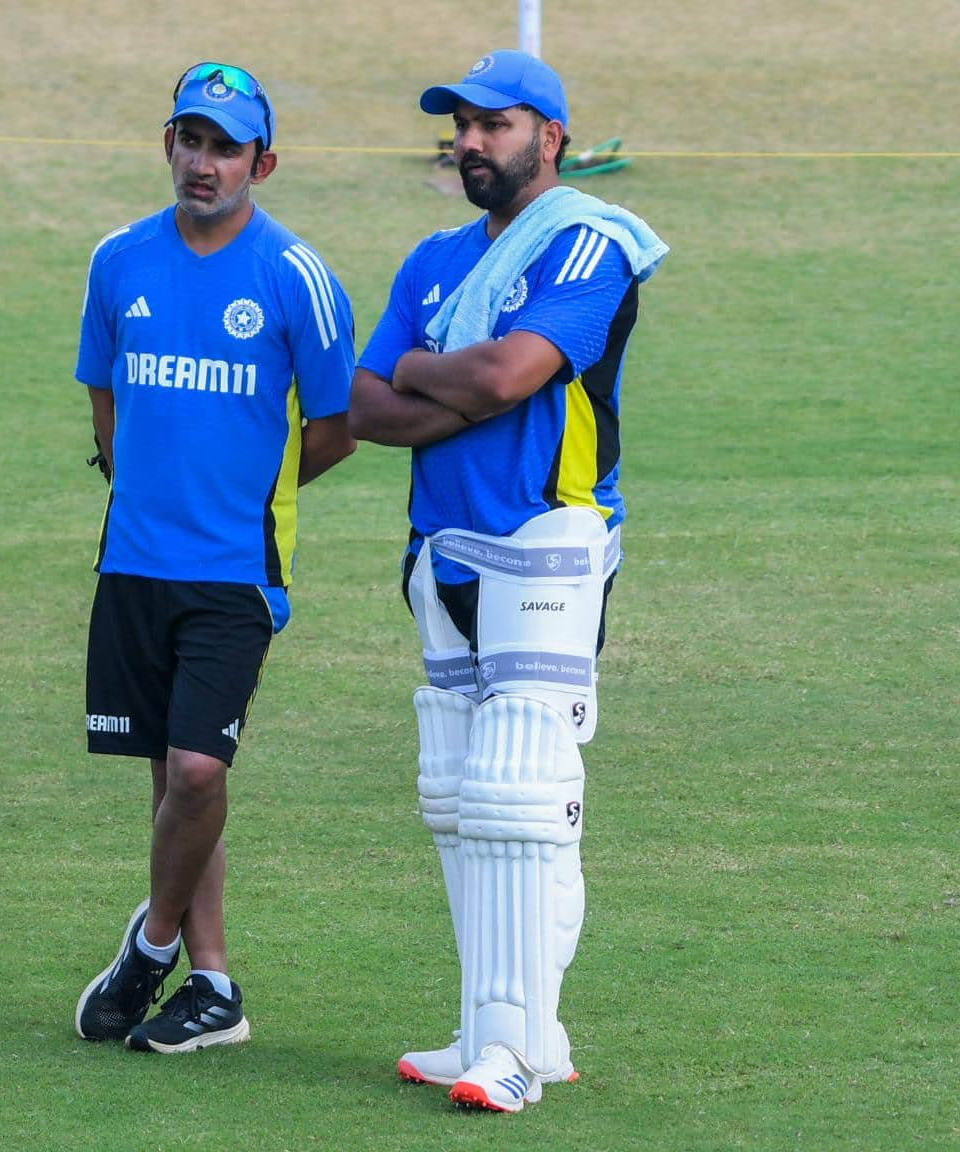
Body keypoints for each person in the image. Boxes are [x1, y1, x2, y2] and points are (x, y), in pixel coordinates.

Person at [348, 50, 667, 1112]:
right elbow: (366, 409)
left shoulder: (590, 242)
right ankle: (498, 1029)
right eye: (462, 124)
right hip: (440, 550)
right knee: (459, 798)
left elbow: (504, 374)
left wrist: (437, 372)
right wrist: (462, 384)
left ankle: (516, 1057)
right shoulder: (432, 258)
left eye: (498, 122)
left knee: (520, 796)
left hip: (547, 539)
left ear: (553, 137)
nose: (473, 140)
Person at [71, 61, 356, 1055]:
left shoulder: (296, 279)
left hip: (236, 573)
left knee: (198, 768)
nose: (205, 162)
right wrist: (145, 484)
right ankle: (217, 990)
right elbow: (105, 403)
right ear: (168, 145)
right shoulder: (117, 262)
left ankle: (149, 948)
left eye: (226, 147)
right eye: (191, 140)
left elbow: (336, 426)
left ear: (262, 163)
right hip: (135, 567)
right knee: (171, 779)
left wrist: (250, 497)